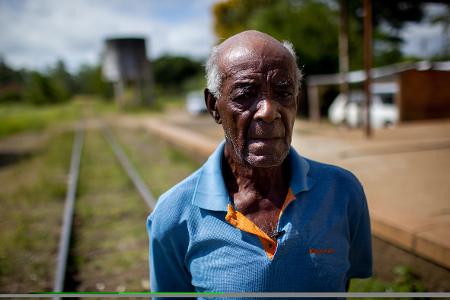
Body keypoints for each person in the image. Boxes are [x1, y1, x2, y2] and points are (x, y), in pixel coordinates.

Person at [147, 30, 372, 294]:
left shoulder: (342, 191)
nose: (268, 111)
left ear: (296, 103)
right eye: (245, 95)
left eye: (283, 93)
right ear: (213, 107)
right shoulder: (173, 214)